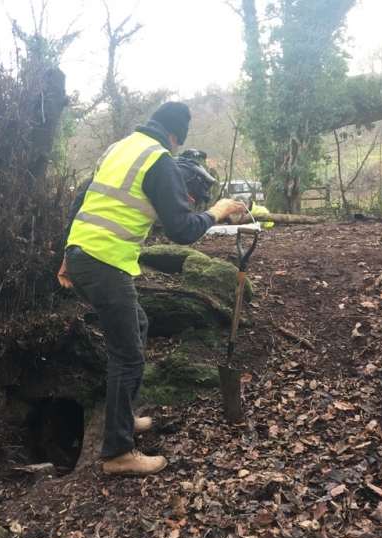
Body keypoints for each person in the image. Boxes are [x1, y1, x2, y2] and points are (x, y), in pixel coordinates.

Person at [57, 102, 246, 476]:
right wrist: (219, 211)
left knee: (138, 326)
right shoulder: (160, 160)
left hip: (83, 254)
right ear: (176, 135)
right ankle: (117, 453)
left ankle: (124, 417)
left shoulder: (119, 147)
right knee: (127, 354)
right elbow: (181, 230)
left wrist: (67, 253)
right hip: (105, 261)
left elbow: (81, 201)